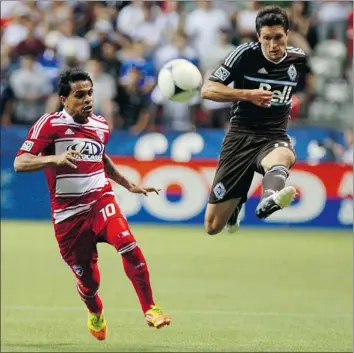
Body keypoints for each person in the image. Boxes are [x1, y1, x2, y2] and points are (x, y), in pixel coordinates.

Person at [13, 68, 171, 341]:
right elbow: (20, 162)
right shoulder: (49, 124)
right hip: (68, 216)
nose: (87, 99)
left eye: (90, 93)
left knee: (129, 245)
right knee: (90, 282)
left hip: (100, 200)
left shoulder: (100, 124)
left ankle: (150, 308)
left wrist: (128, 184)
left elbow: (101, 158)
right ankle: (95, 310)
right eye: (79, 95)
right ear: (64, 99)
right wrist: (55, 159)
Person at [201, 6, 308, 234]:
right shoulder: (245, 54)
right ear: (258, 37)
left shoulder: (297, 59)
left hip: (273, 135)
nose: (273, 45)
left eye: (278, 37)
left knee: (284, 155)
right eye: (266, 38)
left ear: (287, 34)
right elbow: (208, 90)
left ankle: (269, 198)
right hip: (240, 137)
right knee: (212, 226)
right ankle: (238, 201)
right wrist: (247, 94)